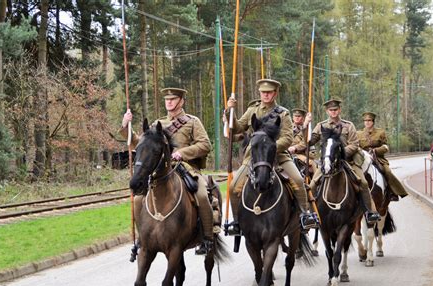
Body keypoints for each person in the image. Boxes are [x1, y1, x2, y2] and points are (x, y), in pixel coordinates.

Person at [120, 87, 214, 254]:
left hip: (186, 168)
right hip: (160, 171)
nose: (169, 102)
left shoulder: (192, 121)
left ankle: (207, 239)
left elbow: (205, 145)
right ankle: (143, 239)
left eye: (173, 99)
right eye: (166, 99)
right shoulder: (158, 124)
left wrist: (182, 153)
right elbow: (141, 144)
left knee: (201, 194)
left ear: (181, 101)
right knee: (137, 200)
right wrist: (126, 126)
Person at [224, 79, 319, 235]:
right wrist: (230, 112)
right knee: (234, 186)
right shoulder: (252, 110)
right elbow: (238, 127)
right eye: (263, 92)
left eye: (269, 92)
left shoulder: (283, 113)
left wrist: (271, 147)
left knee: (298, 180)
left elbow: (288, 138)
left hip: (278, 155)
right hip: (253, 157)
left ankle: (304, 214)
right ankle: (237, 221)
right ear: (260, 93)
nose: (266, 95)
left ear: (275, 93)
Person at [303, 98, 381, 225]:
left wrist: (340, 154)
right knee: (312, 185)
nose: (333, 112)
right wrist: (305, 125)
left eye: (335, 110)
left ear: (339, 110)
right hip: (327, 163)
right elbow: (309, 141)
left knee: (363, 183)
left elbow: (354, 144)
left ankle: (369, 212)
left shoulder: (348, 125)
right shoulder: (321, 126)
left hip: (347, 162)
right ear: (327, 111)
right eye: (330, 110)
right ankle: (311, 214)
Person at [357, 112, 408, 201]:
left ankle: (392, 192)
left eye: (369, 120)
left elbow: (385, 147)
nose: (367, 122)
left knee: (387, 171)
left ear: (373, 122)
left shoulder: (380, 132)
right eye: (365, 121)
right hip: (363, 158)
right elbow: (356, 147)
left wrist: (375, 151)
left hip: (377, 158)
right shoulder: (358, 133)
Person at [288, 108, 317, 175]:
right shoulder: (288, 127)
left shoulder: (306, 128)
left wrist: (295, 148)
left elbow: (305, 142)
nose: (297, 118)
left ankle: (315, 183)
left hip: (301, 154)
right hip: (286, 153)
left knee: (312, 164)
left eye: (299, 116)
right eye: (295, 116)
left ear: (303, 118)